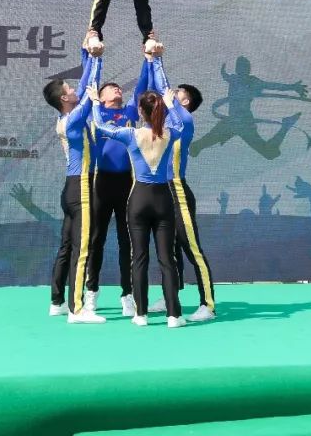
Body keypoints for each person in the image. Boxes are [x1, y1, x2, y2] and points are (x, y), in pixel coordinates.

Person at [88, 84, 186, 328]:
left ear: (140, 112)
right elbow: (181, 125)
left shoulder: (131, 134)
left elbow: (100, 127)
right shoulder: (170, 133)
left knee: (139, 257)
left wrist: (94, 104)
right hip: (163, 198)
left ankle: (140, 314)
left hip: (139, 199)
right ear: (160, 111)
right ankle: (174, 315)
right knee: (167, 259)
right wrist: (172, 104)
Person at [144, 54, 216, 322]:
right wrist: (149, 62)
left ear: (184, 102)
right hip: (160, 191)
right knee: (168, 249)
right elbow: (157, 91)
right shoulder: (166, 119)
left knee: (191, 247)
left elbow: (163, 89)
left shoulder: (183, 119)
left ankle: (207, 304)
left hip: (178, 192)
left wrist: (157, 58)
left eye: (177, 93)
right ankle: (170, 296)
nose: (171, 93)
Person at [42, 46, 106, 324]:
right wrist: (97, 60)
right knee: (82, 248)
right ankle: (77, 309)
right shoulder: (72, 120)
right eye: (70, 89)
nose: (74, 89)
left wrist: (89, 55)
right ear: (65, 99)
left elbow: (84, 83)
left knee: (66, 246)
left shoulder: (65, 116)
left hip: (70, 188)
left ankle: (56, 302)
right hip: (80, 187)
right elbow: (90, 88)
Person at [84, 56, 152, 316]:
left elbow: (142, 87)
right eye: (111, 88)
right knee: (97, 239)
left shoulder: (130, 112)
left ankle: (127, 294)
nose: (117, 89)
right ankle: (92, 293)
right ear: (100, 97)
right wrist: (95, 57)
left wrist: (147, 60)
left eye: (118, 88)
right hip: (102, 183)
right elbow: (91, 83)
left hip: (127, 183)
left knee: (127, 241)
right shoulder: (96, 111)